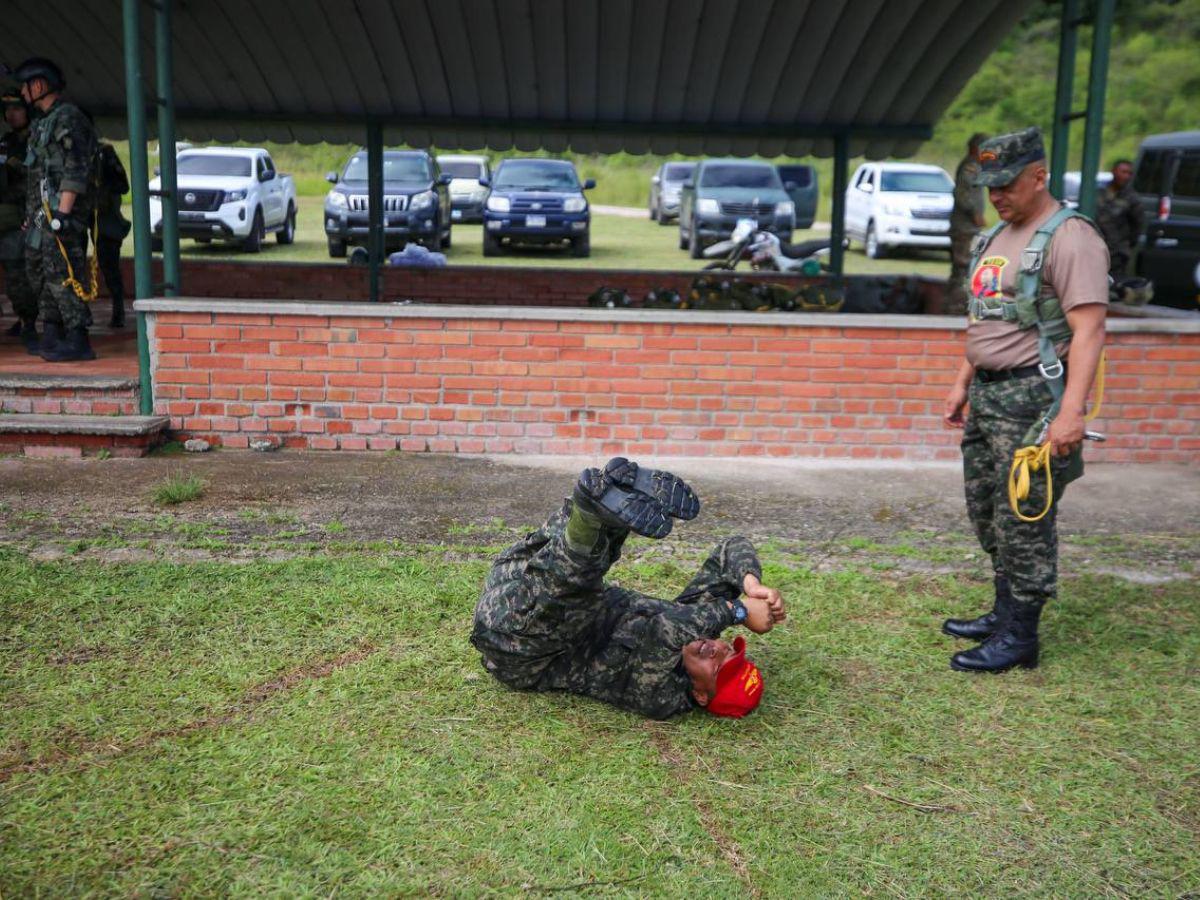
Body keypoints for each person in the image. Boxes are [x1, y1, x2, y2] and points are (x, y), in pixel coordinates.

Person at [941, 126, 1108, 673]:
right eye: (989, 186)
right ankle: (1002, 611)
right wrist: (963, 380)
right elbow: (984, 317)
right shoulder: (996, 237)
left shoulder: (1070, 237)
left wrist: (1071, 412)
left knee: (1024, 514)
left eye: (1007, 185)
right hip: (989, 395)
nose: (996, 196)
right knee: (987, 509)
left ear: (1040, 176)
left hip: (1034, 396)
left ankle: (1021, 636)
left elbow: (1089, 331)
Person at [471, 457, 786, 719]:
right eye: (728, 650)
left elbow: (667, 628)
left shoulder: (662, 696)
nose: (716, 649)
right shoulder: (701, 632)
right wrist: (752, 586)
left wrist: (740, 610)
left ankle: (592, 513)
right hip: (523, 576)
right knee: (578, 563)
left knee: (575, 589)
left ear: (702, 695)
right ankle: (609, 495)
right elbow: (731, 549)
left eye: (717, 667)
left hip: (518, 643)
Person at [17, 57, 98, 362]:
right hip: (43, 217)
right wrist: (33, 216)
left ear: (38, 85)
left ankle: (78, 339)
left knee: (63, 273)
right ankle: (52, 331)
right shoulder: (42, 123)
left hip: (62, 217)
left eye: (25, 87)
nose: (23, 94)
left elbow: (75, 170)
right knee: (40, 273)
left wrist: (62, 216)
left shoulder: (69, 119)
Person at [1, 78, 37, 348]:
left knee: (20, 275)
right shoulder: (6, 141)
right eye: (7, 109)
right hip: (7, 217)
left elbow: (39, 178)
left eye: (17, 108)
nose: (11, 114)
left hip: (22, 219)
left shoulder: (36, 139)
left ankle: (31, 322)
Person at [946, 133, 988, 315]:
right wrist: (974, 213)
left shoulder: (976, 166)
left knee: (966, 266)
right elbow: (962, 193)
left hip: (967, 227)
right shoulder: (970, 167)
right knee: (963, 267)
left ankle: (959, 304)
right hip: (965, 227)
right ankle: (957, 306)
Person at [92, 140, 131, 327]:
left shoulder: (103, 152)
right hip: (73, 214)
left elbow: (123, 185)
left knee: (109, 266)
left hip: (104, 216)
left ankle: (118, 310)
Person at [1094, 158, 1145, 278]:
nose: (1126, 176)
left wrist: (1124, 246)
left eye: (1129, 173)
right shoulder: (1098, 193)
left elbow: (1137, 225)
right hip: (1094, 249)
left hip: (1116, 254)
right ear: (1114, 171)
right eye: (1123, 172)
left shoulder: (1132, 199)